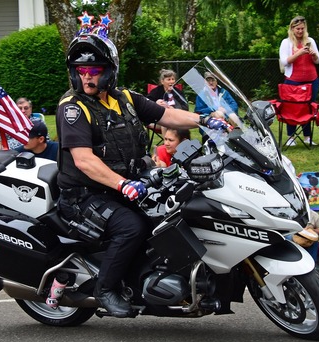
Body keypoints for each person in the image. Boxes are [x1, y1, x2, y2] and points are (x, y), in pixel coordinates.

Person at [56, 23, 210, 318]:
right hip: (85, 195)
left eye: (94, 70)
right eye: (81, 70)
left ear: (110, 70)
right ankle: (106, 289)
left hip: (125, 183)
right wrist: (122, 184)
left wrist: (205, 120)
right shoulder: (72, 107)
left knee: (175, 208)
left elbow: (167, 114)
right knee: (131, 227)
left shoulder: (124, 98)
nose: (87, 77)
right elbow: (83, 160)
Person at [279, 16, 319, 146]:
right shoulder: (286, 42)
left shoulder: (310, 41)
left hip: (311, 79)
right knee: (292, 108)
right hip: (293, 80)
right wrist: (299, 53)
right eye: (297, 29)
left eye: (302, 28)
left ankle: (307, 136)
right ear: (292, 28)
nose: (300, 31)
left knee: (308, 108)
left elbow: (318, 60)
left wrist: (313, 55)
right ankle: (291, 137)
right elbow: (284, 61)